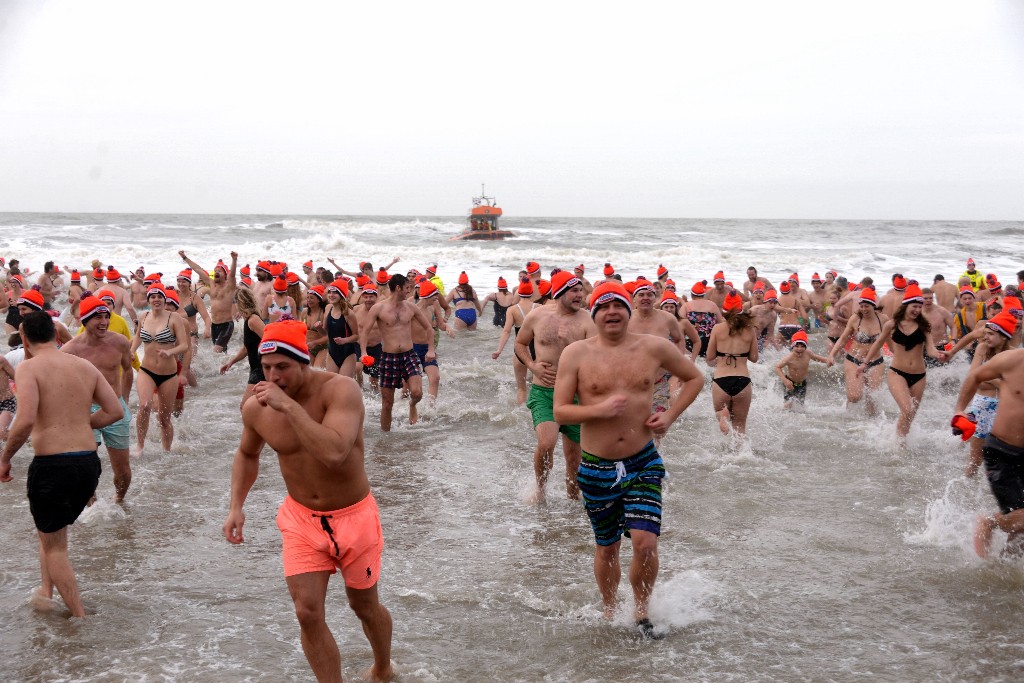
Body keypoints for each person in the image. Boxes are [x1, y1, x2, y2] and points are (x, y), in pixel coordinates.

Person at [222, 320, 393, 681]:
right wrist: (236, 505)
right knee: (307, 612)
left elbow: (334, 452)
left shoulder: (341, 391)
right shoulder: (257, 407)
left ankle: (382, 667)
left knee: (364, 606)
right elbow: (247, 454)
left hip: (354, 516)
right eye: (267, 368)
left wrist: (288, 407)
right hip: (301, 519)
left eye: (282, 367)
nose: (273, 377)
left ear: (304, 361)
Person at [553, 281, 703, 638]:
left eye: (618, 305)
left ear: (628, 309)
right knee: (607, 548)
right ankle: (608, 610)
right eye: (603, 307)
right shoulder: (576, 354)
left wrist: (669, 416)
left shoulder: (654, 348)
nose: (611, 312)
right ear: (594, 314)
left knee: (646, 542)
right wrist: (600, 408)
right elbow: (560, 411)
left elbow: (694, 378)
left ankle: (640, 611)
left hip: (642, 461)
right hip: (596, 467)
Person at [0, 311, 123, 618]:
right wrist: (82, 424)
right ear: (56, 336)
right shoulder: (84, 366)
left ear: (25, 340)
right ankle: (46, 593)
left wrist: (4, 458)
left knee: (56, 546)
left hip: (53, 467)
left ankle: (79, 618)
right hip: (87, 465)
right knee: (50, 532)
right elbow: (115, 410)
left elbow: (25, 419)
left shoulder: (29, 368)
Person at [515, 271, 594, 503]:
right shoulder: (536, 316)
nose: (580, 295)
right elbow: (520, 343)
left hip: (576, 396)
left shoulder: (587, 320)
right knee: (546, 442)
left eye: (581, 290)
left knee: (573, 458)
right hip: (544, 392)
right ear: (560, 293)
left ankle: (573, 499)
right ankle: (540, 490)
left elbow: (598, 355)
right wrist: (532, 366)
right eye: (574, 290)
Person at [951, 333, 1024, 559]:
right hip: (1003, 451)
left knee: (1021, 532)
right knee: (1021, 518)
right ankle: (989, 522)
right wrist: (960, 409)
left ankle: (1004, 566)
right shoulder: (1013, 360)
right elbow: (976, 377)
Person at [61, 293, 134, 502]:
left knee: (123, 472)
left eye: (106, 317)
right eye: (98, 318)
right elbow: (61, 385)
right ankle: (91, 504)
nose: (104, 323)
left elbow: (128, 370)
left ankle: (119, 500)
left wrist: (125, 400)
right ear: (85, 320)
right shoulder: (70, 350)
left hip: (115, 409)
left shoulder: (119, 342)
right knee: (86, 466)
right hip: (84, 410)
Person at [860, 284, 942, 440]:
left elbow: (930, 349)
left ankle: (900, 441)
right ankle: (897, 443)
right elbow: (877, 344)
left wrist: (938, 355)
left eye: (919, 307)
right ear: (906, 305)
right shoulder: (891, 325)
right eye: (914, 306)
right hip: (898, 373)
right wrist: (865, 363)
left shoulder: (924, 326)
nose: (917, 310)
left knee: (910, 415)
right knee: (908, 409)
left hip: (919, 375)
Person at [359, 274, 434, 431]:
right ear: (398, 288)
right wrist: (364, 352)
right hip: (388, 357)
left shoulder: (411, 307)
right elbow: (364, 332)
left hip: (409, 355)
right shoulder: (378, 308)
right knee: (387, 404)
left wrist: (431, 349)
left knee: (417, 392)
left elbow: (428, 328)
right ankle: (385, 439)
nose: (409, 291)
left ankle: (412, 405)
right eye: (407, 287)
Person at [130, 284, 190, 454]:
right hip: (147, 370)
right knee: (144, 406)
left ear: (165, 299)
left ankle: (166, 452)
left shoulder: (174, 318)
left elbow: (184, 345)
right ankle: (140, 447)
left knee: (164, 419)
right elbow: (137, 338)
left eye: (159, 296)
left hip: (169, 374)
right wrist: (131, 351)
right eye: (153, 297)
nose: (156, 299)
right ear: (148, 300)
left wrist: (169, 351)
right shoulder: (143, 316)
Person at [959, 312, 1017, 479]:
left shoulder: (1014, 354)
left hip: (1006, 409)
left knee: (1004, 458)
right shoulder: (982, 349)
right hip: (982, 406)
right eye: (986, 333)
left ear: (1004, 336)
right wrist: (1000, 382)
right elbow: (973, 378)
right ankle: (967, 489)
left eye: (991, 334)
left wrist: (987, 379)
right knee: (975, 459)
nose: (986, 337)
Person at [828, 287, 888, 415]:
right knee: (855, 397)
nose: (864, 309)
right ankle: (847, 412)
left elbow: (892, 341)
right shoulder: (855, 319)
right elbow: (843, 339)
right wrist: (832, 355)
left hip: (876, 361)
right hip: (854, 359)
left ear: (873, 305)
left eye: (867, 306)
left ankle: (871, 424)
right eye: (862, 306)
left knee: (873, 397)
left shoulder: (883, 319)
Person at [706, 290, 758, 435]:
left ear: (724, 311)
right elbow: (754, 358)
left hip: (721, 380)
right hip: (743, 380)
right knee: (740, 426)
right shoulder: (750, 331)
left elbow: (710, 356)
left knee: (719, 411)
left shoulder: (717, 329)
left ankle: (722, 415)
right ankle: (740, 454)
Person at [180, 251, 238, 352]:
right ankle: (228, 367)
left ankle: (226, 366)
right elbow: (198, 269)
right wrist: (185, 258)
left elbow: (232, 275)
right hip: (214, 325)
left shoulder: (229, 287)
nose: (216, 272)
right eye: (215, 270)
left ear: (225, 274)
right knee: (221, 353)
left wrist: (234, 260)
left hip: (226, 325)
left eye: (219, 271)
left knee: (216, 351)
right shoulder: (211, 284)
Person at [220, 287, 267, 411]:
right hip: (256, 368)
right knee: (258, 407)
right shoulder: (249, 320)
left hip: (261, 369)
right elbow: (247, 348)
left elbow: (270, 340)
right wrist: (230, 362)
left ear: (240, 304)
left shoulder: (253, 320)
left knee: (245, 407)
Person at [493, 280, 538, 405]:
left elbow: (506, 331)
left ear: (518, 293)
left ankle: (520, 412)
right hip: (538, 351)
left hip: (519, 351)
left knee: (521, 388)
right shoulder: (539, 308)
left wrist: (499, 350)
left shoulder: (512, 310)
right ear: (532, 292)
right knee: (538, 387)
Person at [774, 330, 833, 410]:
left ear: (806, 347)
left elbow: (817, 358)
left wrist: (827, 360)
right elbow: (777, 367)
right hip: (790, 383)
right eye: (797, 346)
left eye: (802, 346)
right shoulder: (789, 358)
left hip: (802, 384)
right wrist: (785, 380)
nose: (799, 349)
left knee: (800, 406)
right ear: (792, 346)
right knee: (788, 405)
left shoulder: (808, 354)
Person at [322, 279, 360, 379]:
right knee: (332, 386)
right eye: (330, 292)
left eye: (335, 293)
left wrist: (345, 340)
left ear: (342, 295)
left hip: (348, 354)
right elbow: (325, 333)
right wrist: (318, 328)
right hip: (332, 353)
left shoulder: (348, 313)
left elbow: (356, 336)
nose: (331, 295)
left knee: (344, 385)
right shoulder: (328, 308)